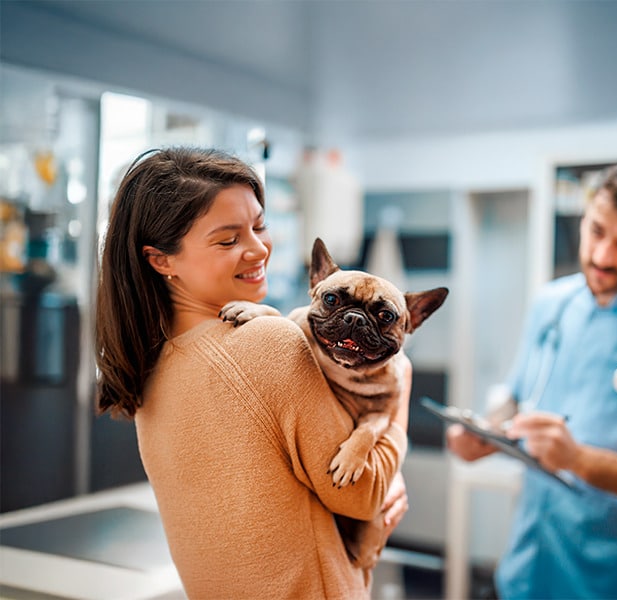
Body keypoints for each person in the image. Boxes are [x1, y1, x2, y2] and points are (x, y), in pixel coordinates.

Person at [95, 147, 410, 598]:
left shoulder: (150, 364)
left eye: (259, 226)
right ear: (161, 260)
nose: (259, 248)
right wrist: (398, 402)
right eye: (228, 239)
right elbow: (362, 492)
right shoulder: (268, 344)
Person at [447, 160, 617, 599]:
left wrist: (576, 458)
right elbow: (516, 400)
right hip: (528, 573)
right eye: (596, 232)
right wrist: (483, 432)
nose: (602, 256)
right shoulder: (551, 303)